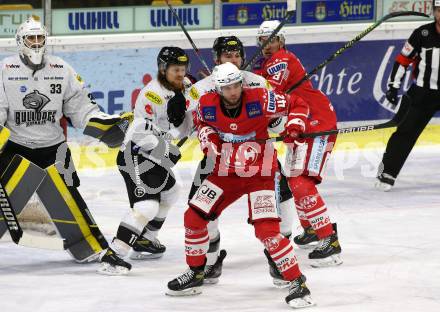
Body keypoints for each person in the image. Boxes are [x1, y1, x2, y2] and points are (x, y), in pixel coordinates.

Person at [167, 62, 314, 309]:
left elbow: (298, 104)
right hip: (225, 172)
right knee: (193, 217)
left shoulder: (262, 98)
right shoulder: (207, 105)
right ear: (218, 89)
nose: (233, 91)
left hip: (261, 172)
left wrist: (295, 125)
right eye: (227, 88)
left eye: (236, 85)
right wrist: (209, 140)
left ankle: (297, 281)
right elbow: (203, 124)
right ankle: (196, 273)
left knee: (266, 231)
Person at [0, 17, 130, 272]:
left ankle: (87, 247)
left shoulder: (62, 68)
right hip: (18, 148)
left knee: (69, 200)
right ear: (20, 42)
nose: (36, 43)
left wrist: (103, 125)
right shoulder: (5, 70)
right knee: (5, 205)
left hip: (55, 148)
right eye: (31, 38)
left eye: (40, 38)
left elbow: (81, 108)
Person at [187, 36, 297, 286]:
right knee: (201, 210)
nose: (233, 59)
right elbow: (191, 125)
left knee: (284, 199)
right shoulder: (200, 89)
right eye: (227, 55)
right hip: (218, 161)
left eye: (237, 55)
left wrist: (282, 124)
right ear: (217, 59)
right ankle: (210, 259)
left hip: (257, 157)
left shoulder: (258, 83)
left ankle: (277, 259)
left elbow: (278, 119)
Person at [255, 20, 342, 267]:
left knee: (301, 183)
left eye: (271, 40)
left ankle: (329, 240)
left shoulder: (281, 59)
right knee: (295, 180)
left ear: (280, 41)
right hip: (301, 123)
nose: (267, 45)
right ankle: (313, 229)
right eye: (263, 41)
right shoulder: (268, 65)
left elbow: (270, 93)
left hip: (316, 122)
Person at [99, 47, 193, 275]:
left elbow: (196, 113)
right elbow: (141, 134)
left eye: (182, 69)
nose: (180, 74)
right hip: (136, 154)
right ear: (163, 69)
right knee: (146, 206)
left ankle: (146, 239)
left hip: (157, 156)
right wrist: (166, 148)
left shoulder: (187, 86)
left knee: (172, 191)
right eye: (175, 70)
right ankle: (114, 255)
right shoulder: (151, 95)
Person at [376, 0, 440, 191]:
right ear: (434, 12)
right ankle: (388, 171)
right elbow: (403, 60)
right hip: (422, 93)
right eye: (439, 10)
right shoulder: (422, 33)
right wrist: (393, 87)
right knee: (405, 131)